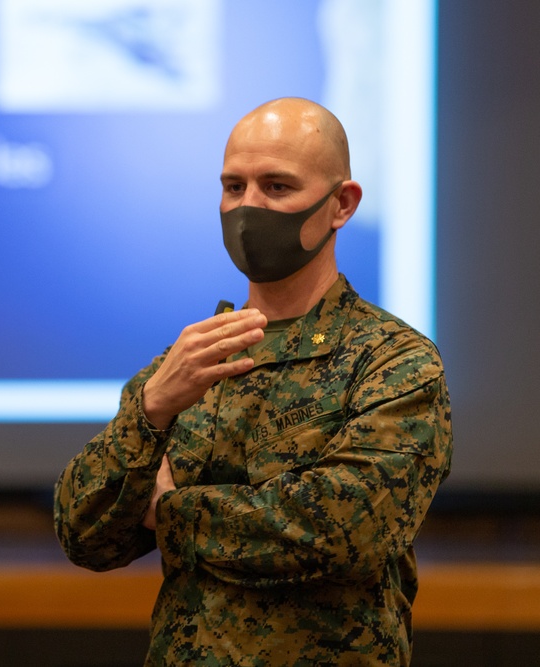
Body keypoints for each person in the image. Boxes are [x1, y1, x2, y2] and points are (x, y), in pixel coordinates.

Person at [54, 97, 452, 666]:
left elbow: (340, 530)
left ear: (341, 204)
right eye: (233, 186)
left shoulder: (393, 362)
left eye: (277, 186)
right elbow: (84, 533)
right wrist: (151, 410)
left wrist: (170, 511)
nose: (249, 207)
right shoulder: (192, 361)